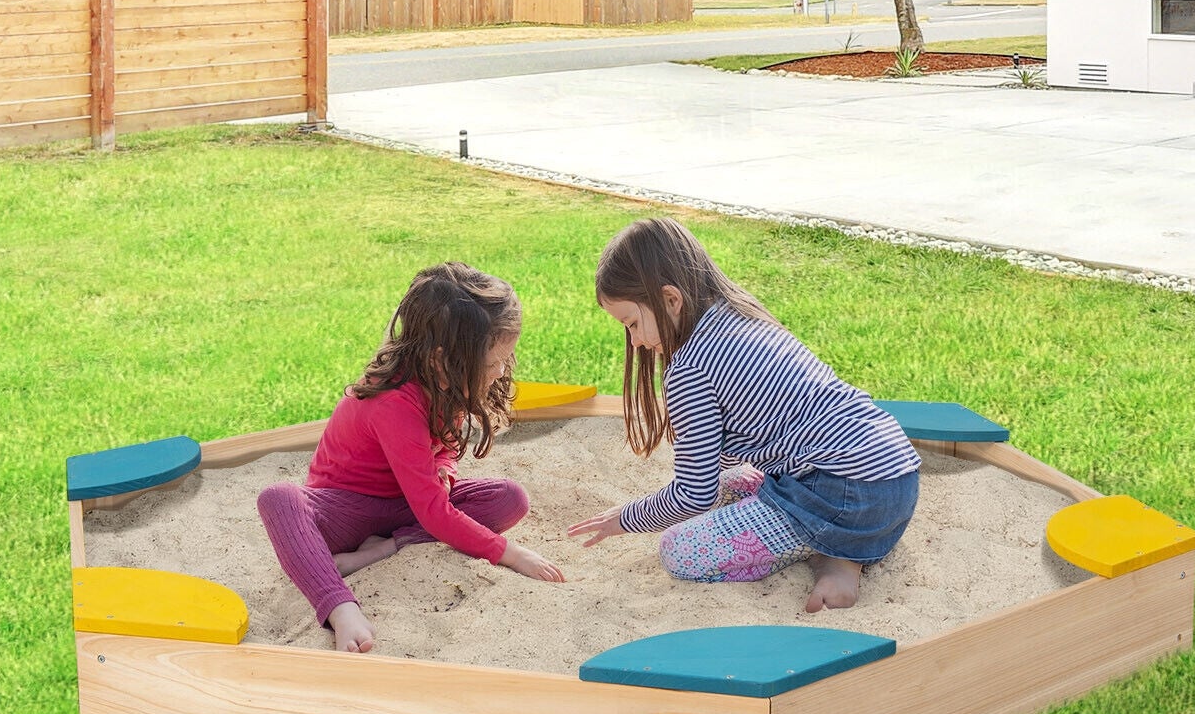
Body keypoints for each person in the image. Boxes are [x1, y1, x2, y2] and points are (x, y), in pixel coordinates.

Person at [568, 219, 919, 613]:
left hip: (843, 495)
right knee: (732, 481)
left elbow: (693, 494)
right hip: (895, 480)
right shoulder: (739, 314)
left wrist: (627, 518)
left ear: (670, 300)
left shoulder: (688, 368)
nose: (635, 341)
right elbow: (729, 453)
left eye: (631, 323)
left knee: (679, 549)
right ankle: (839, 550)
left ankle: (831, 550)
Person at [258, 263, 563, 654]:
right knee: (278, 499)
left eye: (504, 358)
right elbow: (434, 511)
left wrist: (445, 470)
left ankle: (385, 547)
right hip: (346, 511)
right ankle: (339, 606)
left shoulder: (447, 380)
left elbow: (447, 448)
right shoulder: (393, 401)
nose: (501, 370)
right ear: (441, 358)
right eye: (491, 364)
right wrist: (510, 554)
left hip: (408, 507)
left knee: (509, 498)